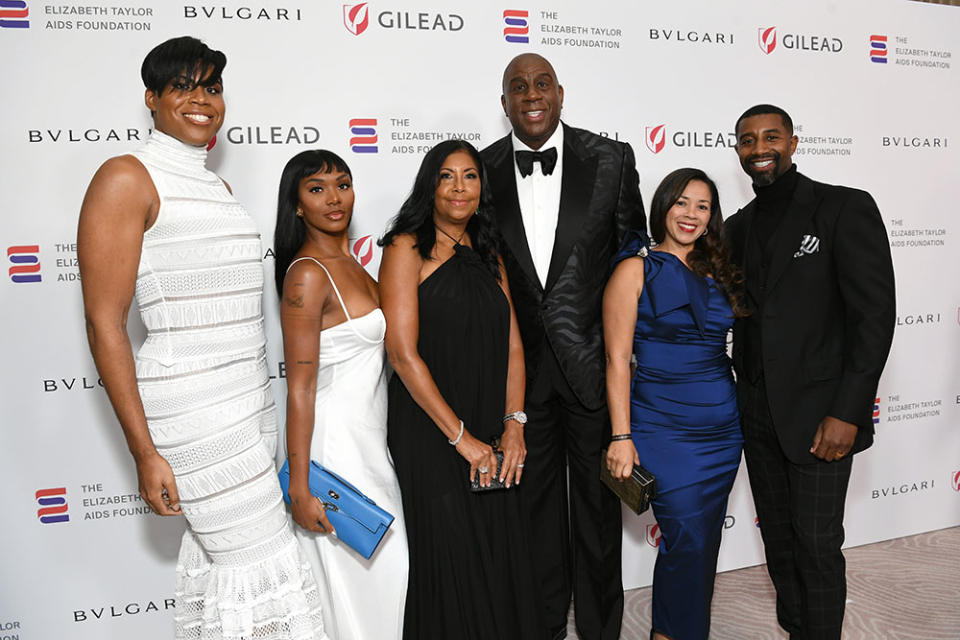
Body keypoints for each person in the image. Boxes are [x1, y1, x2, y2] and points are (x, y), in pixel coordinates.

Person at [77, 37, 325, 639]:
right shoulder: (125, 177)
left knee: (244, 575)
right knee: (258, 568)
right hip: (193, 416)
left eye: (211, 87)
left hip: (249, 405)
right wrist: (143, 451)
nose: (201, 100)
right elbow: (104, 324)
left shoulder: (219, 188)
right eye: (183, 86)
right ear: (151, 99)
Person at [480, 52, 646, 640]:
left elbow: (633, 255)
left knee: (600, 516)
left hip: (592, 368)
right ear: (504, 103)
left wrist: (627, 355)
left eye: (541, 83)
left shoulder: (611, 159)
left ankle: (602, 631)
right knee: (534, 513)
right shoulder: (480, 169)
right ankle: (545, 624)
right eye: (517, 86)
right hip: (520, 374)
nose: (531, 94)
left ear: (560, 92)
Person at [725, 104, 896, 639]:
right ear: (738, 152)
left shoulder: (842, 207)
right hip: (755, 412)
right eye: (748, 140)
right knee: (777, 536)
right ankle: (796, 625)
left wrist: (847, 411)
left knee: (817, 540)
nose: (760, 148)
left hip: (821, 413)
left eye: (770, 136)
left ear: (793, 143)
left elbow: (874, 317)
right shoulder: (735, 228)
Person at [378, 139, 545, 639]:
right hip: (431, 429)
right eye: (446, 176)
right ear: (430, 185)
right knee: (449, 559)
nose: (458, 187)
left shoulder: (488, 250)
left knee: (497, 551)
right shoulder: (404, 247)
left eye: (470, 176)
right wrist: (461, 438)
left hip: (492, 426)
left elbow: (515, 346)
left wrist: (513, 426)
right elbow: (402, 354)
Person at [605, 169, 746, 640]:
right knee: (685, 542)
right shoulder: (635, 267)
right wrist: (622, 437)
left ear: (712, 218)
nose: (691, 214)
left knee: (703, 545)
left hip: (723, 431)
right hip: (663, 428)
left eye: (702, 206)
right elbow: (617, 360)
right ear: (663, 206)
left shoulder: (715, 270)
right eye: (682, 203)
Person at [274, 150, 408, 639]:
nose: (334, 198)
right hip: (333, 448)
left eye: (343, 184)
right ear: (296, 206)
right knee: (357, 588)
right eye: (317, 188)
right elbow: (300, 388)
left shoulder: (353, 265)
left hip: (369, 440)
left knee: (386, 581)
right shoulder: (307, 275)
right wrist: (301, 484)